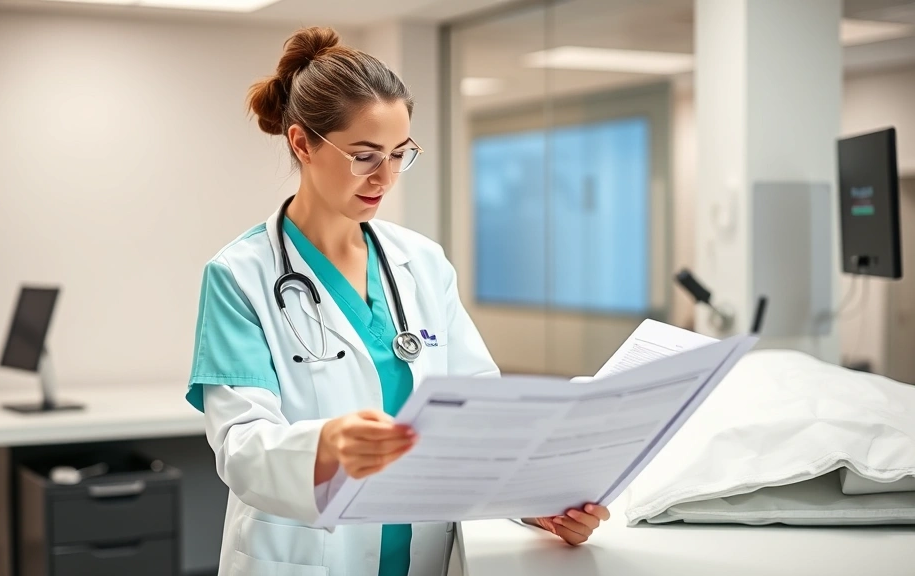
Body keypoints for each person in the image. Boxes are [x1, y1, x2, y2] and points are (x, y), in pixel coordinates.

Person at [186, 26, 610, 576]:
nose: (384, 178)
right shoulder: (240, 276)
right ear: (302, 144)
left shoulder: (422, 263)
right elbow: (241, 449)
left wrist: (535, 503)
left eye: (399, 154)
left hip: (422, 556)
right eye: (364, 156)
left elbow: (478, 417)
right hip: (305, 559)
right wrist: (325, 445)